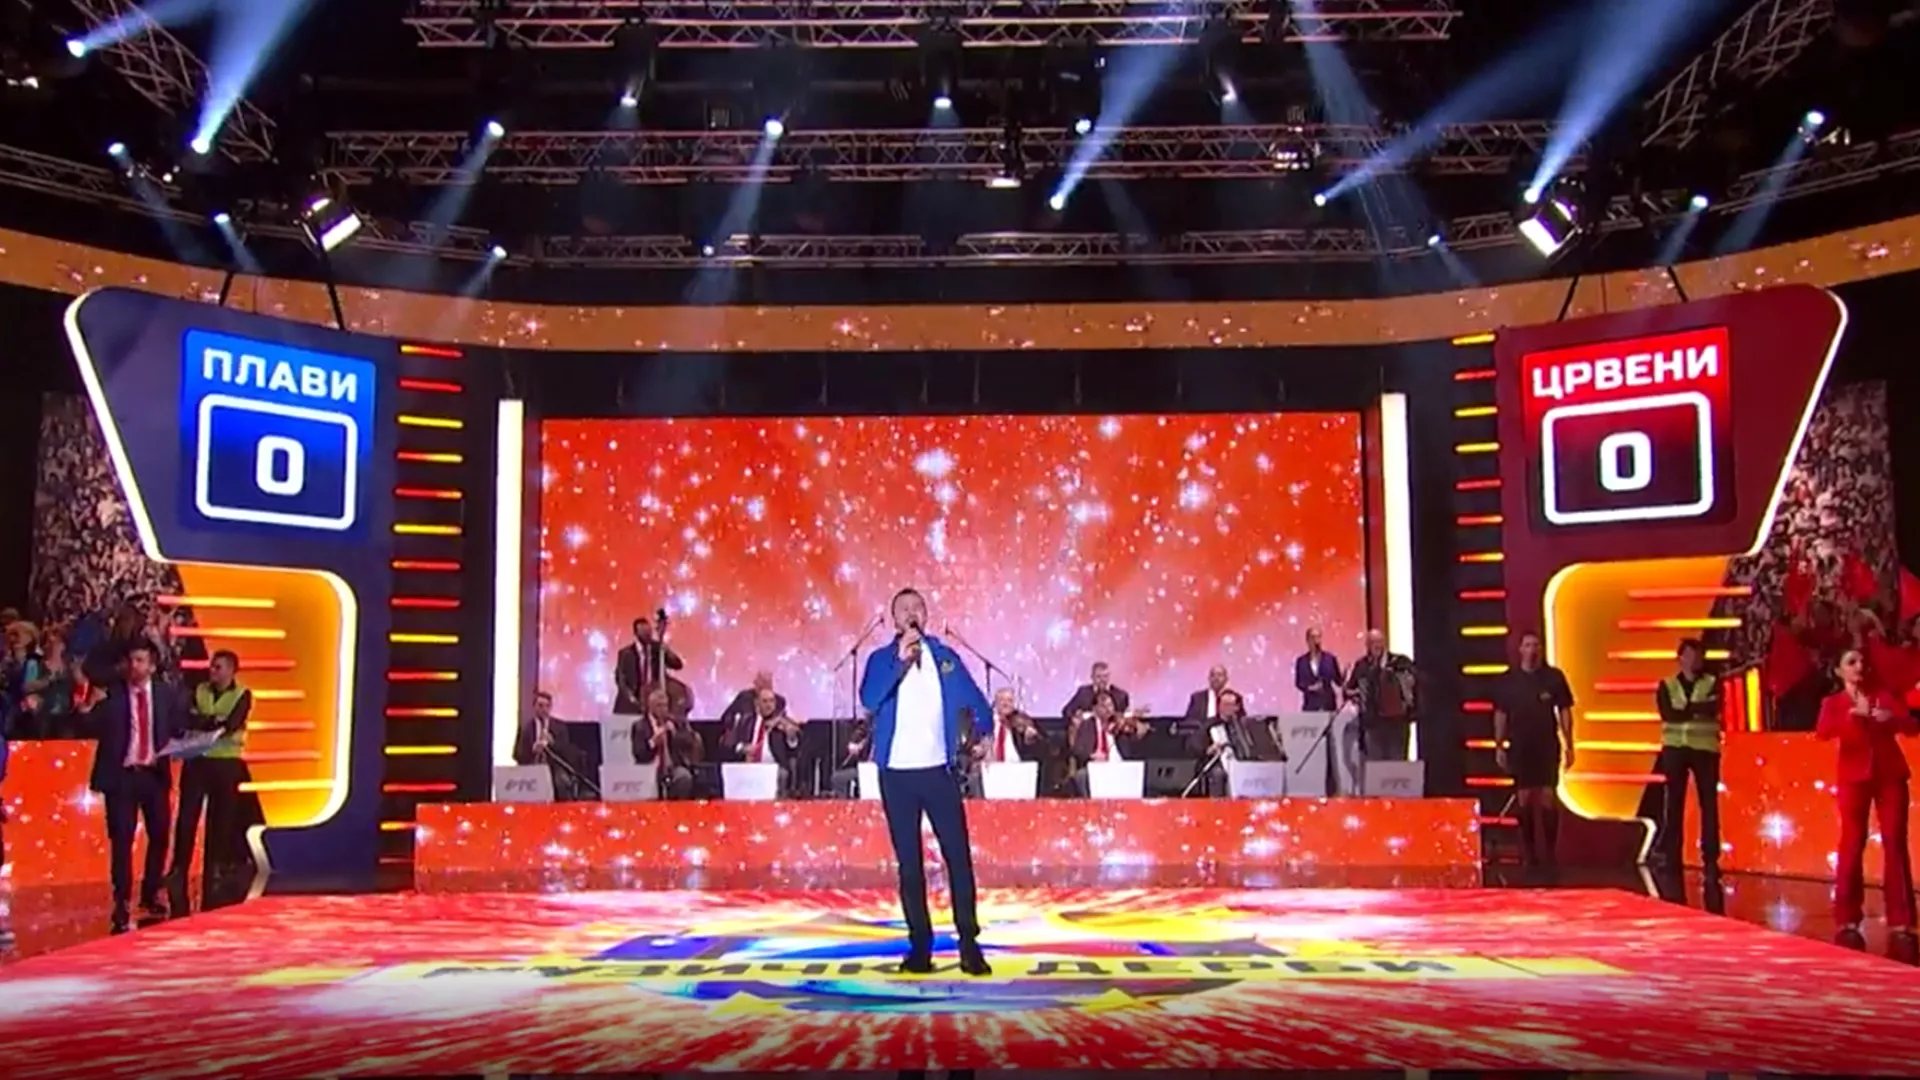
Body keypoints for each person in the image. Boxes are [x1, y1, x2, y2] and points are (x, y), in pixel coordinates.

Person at [858, 587, 993, 976]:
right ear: (894, 619)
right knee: (910, 865)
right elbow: (869, 698)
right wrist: (899, 662)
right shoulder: (881, 659)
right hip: (896, 775)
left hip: (939, 772)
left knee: (958, 858)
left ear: (926, 614)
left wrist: (984, 732)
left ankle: (969, 944)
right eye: (904, 609)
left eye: (918, 607)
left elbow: (976, 700)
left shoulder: (945, 658)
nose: (911, 613)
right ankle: (920, 947)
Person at [1817, 647, 1917, 944]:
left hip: (1890, 775)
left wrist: (1891, 718)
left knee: (1895, 841)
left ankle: (1901, 917)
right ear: (1839, 671)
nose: (1859, 666)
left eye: (1861, 661)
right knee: (1852, 841)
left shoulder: (1883, 696)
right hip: (1853, 777)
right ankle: (1846, 916)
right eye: (1851, 662)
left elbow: (1911, 727)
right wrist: (1851, 717)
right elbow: (1823, 732)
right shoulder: (1833, 703)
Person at [87, 640, 187, 931]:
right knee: (121, 839)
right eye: (131, 660)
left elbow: (177, 726)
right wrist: (88, 707)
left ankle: (151, 892)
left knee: (160, 835)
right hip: (122, 776)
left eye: (141, 661)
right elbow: (90, 723)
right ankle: (122, 899)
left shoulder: (166, 694)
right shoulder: (113, 694)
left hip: (154, 775)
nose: (134, 666)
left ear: (152, 666)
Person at [169, 649, 253, 912]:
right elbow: (188, 718)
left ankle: (214, 868)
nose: (212, 671)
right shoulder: (199, 690)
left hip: (226, 763)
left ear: (231, 670)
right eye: (212, 666)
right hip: (198, 760)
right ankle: (178, 869)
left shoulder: (243, 694)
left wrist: (208, 722)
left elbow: (232, 724)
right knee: (187, 817)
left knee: (221, 819)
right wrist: (211, 721)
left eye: (218, 667)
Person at [1493, 630, 1574, 868]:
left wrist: (1569, 743)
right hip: (1520, 746)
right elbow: (1500, 714)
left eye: (1536, 645)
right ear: (1520, 649)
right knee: (1524, 798)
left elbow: (1565, 711)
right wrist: (1499, 745)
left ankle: (1550, 852)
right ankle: (1529, 853)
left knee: (1548, 797)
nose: (1532, 649)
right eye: (1527, 645)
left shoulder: (1554, 677)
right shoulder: (1508, 680)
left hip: (1547, 744)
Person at [1655, 639, 1722, 874]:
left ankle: (1711, 858)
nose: (1695, 660)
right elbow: (1669, 714)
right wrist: (1696, 709)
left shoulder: (1713, 682)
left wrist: (1687, 711)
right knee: (1673, 803)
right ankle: (1671, 855)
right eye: (1690, 655)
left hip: (1705, 749)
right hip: (1675, 749)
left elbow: (1713, 709)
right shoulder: (1667, 684)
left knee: (1709, 804)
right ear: (1680, 658)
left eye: (1698, 655)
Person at [1345, 629, 1418, 762]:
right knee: (1376, 765)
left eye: (1379, 642)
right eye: (1372, 642)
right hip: (1373, 723)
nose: (1376, 645)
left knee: (1397, 762)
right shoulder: (1362, 665)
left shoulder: (1400, 662)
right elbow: (1350, 689)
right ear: (1367, 645)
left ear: (1384, 643)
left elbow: (1414, 683)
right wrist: (1356, 694)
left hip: (1397, 724)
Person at [1068, 689, 1147, 797]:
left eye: (1110, 705)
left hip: (1119, 763)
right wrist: (1091, 755)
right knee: (1081, 776)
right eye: (1103, 706)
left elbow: (1132, 740)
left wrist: (1137, 731)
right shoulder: (1087, 725)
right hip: (1096, 765)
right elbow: (1078, 749)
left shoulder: (1120, 723)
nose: (1108, 709)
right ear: (1095, 709)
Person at [726, 686, 803, 798]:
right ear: (757, 703)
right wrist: (742, 748)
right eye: (765, 701)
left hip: (774, 767)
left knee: (782, 774)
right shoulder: (746, 721)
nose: (769, 705)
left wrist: (791, 736)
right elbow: (729, 744)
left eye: (771, 701)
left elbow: (794, 749)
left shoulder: (783, 722)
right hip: (750, 766)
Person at [631, 686, 700, 799]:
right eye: (659, 705)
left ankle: (675, 806)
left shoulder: (673, 721)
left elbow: (688, 742)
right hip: (650, 768)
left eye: (665, 705)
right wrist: (653, 742)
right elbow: (638, 753)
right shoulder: (640, 726)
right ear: (651, 706)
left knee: (684, 777)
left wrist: (674, 733)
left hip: (671, 768)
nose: (663, 709)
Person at [613, 613, 686, 716]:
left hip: (654, 697)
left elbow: (677, 665)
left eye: (649, 632)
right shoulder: (625, 653)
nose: (647, 635)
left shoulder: (657, 649)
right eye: (643, 632)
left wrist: (666, 650)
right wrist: (631, 697)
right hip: (632, 700)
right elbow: (620, 679)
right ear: (636, 634)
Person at [1060, 662, 1130, 721]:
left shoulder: (1121, 695)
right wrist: (1076, 715)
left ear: (1109, 676)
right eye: (1098, 677)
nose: (1102, 680)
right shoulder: (1083, 693)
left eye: (1105, 676)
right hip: (1088, 730)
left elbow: (1127, 715)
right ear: (1092, 677)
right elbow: (1066, 711)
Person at [1293, 628, 1343, 712]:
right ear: (1307, 640)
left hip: (1328, 704)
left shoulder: (1330, 659)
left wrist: (1343, 678)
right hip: (1310, 705)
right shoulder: (1301, 661)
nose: (1316, 640)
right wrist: (1310, 688)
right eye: (1313, 637)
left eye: (1318, 637)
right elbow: (1299, 683)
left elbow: (1338, 680)